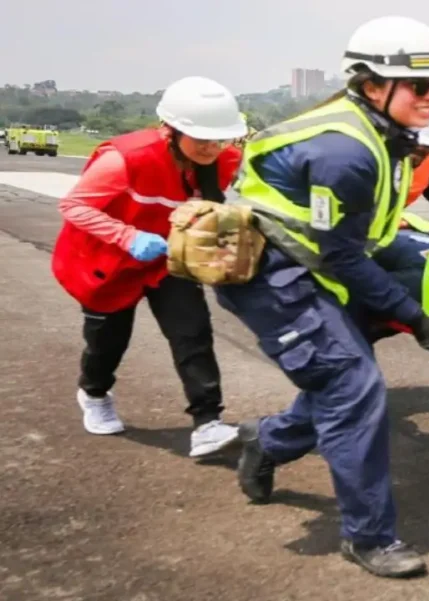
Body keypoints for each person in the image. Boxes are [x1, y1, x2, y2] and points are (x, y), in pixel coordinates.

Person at [214, 15, 429, 579]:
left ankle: (266, 440)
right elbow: (343, 256)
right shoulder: (345, 152)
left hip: (312, 266)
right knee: (352, 384)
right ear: (372, 85)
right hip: (270, 277)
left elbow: (367, 238)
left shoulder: (385, 136)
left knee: (339, 382)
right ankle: (369, 537)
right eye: (420, 85)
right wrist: (417, 317)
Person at [50, 75, 247, 458]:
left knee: (192, 333)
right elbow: (73, 205)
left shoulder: (219, 162)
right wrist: (127, 237)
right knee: (108, 343)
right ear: (170, 130)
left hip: (165, 260)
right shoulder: (126, 159)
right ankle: (94, 393)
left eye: (218, 139)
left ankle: (208, 423)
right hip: (109, 260)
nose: (211, 147)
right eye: (201, 138)